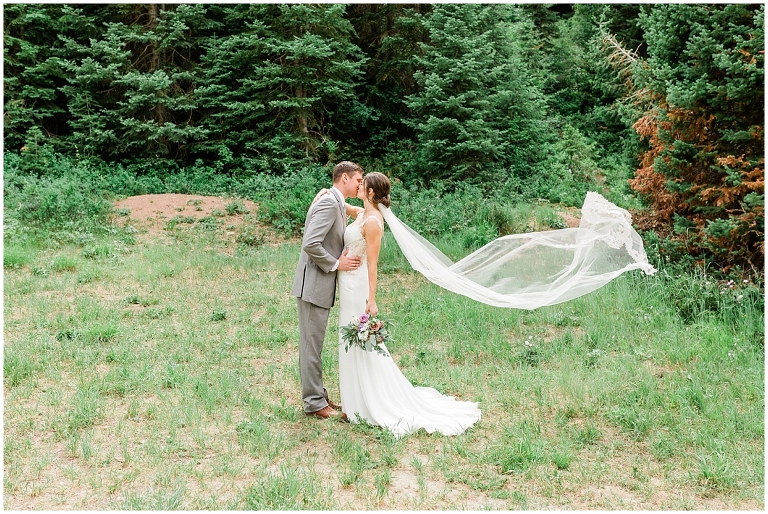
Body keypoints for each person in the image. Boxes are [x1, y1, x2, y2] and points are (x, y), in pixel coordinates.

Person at [334, 172, 482, 437]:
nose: (359, 185)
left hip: (357, 288)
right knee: (348, 340)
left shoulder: (374, 223)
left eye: (363, 184)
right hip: (346, 285)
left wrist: (372, 299)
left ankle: (366, 403)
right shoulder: (363, 214)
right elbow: (349, 208)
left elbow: (373, 264)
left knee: (362, 342)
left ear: (370, 192)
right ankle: (352, 402)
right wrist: (329, 194)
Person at [291, 161, 364, 419]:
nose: (360, 184)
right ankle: (314, 403)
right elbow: (311, 242)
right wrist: (336, 263)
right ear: (344, 178)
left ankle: (319, 396)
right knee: (311, 345)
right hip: (312, 285)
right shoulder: (328, 202)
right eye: (357, 180)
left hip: (319, 286)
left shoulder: (334, 200)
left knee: (315, 343)